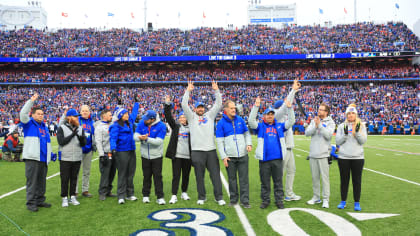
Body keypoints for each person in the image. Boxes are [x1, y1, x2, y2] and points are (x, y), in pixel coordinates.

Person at [181, 80, 225, 206]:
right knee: (199, 176)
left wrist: (216, 90)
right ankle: (202, 197)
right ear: (195, 109)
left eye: (202, 107)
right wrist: (188, 91)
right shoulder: (191, 117)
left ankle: (219, 197)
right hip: (197, 151)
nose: (200, 109)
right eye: (198, 107)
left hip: (210, 151)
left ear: (204, 108)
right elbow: (184, 105)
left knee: (215, 175)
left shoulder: (209, 116)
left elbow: (218, 104)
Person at [248, 97, 295, 209]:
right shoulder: (260, 126)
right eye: (267, 114)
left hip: (277, 159)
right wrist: (256, 107)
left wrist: (289, 108)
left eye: (272, 114)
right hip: (264, 159)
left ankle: (279, 200)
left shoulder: (279, 126)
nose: (270, 116)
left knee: (278, 182)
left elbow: (291, 121)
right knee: (265, 182)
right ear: (263, 116)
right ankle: (265, 200)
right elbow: (250, 121)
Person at [20, 93, 53, 212]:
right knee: (32, 182)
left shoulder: (44, 127)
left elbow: (47, 143)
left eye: (42, 114)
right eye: (38, 114)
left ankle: (40, 200)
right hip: (33, 158)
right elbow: (22, 114)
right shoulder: (28, 124)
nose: (40, 115)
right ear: (32, 115)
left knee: (41, 182)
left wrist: (51, 154)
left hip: (43, 159)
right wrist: (31, 101)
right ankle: (31, 203)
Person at [216, 100, 252, 208]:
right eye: (231, 108)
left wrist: (249, 144)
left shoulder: (240, 120)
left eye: (234, 108)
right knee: (232, 180)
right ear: (226, 110)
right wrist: (223, 156)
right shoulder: (221, 123)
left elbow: (246, 133)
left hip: (243, 155)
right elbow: (219, 141)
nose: (234, 110)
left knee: (244, 179)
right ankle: (233, 199)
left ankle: (245, 201)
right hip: (230, 157)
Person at [273, 79, 302, 201]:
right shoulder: (277, 116)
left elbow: (291, 118)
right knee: (281, 173)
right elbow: (285, 106)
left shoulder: (284, 116)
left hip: (289, 148)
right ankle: (278, 195)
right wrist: (293, 91)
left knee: (291, 171)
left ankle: (289, 194)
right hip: (282, 148)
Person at [335, 105, 367, 211]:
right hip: (344, 157)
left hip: (358, 158)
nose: (351, 115)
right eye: (349, 113)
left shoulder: (361, 126)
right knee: (344, 181)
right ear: (346, 115)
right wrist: (344, 135)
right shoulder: (341, 126)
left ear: (356, 115)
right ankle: (343, 201)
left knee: (357, 181)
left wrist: (357, 132)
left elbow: (363, 141)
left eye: (353, 113)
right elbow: (338, 142)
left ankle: (356, 202)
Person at [59, 105, 96, 197]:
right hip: (77, 149)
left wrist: (94, 145)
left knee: (86, 171)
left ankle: (85, 190)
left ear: (89, 112)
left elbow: (94, 134)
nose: (85, 112)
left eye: (86, 111)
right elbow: (61, 124)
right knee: (75, 172)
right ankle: (74, 191)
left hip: (88, 149)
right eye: (83, 111)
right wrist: (64, 115)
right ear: (80, 112)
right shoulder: (76, 120)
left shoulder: (92, 122)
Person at [305, 103, 335, 208]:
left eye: (322, 110)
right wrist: (315, 125)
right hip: (313, 153)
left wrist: (320, 126)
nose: (319, 111)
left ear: (326, 112)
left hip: (324, 154)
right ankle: (316, 197)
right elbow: (307, 133)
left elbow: (328, 135)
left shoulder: (331, 122)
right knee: (315, 178)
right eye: (319, 109)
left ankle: (326, 199)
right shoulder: (314, 121)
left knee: (325, 179)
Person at [134, 110, 167, 205]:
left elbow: (159, 142)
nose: (144, 121)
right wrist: (140, 137)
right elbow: (135, 136)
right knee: (146, 176)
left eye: (147, 119)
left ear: (152, 119)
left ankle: (160, 197)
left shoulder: (161, 126)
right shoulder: (141, 123)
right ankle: (145, 195)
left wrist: (146, 139)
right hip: (145, 156)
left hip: (157, 156)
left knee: (158, 177)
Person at [164, 95, 192, 204]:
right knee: (176, 176)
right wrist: (167, 104)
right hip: (177, 156)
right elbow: (168, 116)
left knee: (186, 175)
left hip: (188, 156)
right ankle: (174, 195)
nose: (182, 119)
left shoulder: (191, 128)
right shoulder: (176, 127)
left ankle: (184, 192)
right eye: (180, 117)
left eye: (184, 117)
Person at [57, 109, 87, 207]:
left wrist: (82, 138)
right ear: (69, 117)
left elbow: (83, 143)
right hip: (66, 157)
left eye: (77, 116)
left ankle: (73, 196)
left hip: (77, 157)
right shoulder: (61, 127)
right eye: (75, 116)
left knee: (74, 178)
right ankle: (64, 197)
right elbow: (61, 141)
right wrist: (72, 134)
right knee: (65, 179)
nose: (77, 118)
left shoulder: (80, 128)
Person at [110, 108, 138, 204]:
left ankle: (130, 194)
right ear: (120, 115)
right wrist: (113, 148)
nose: (127, 115)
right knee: (122, 174)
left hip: (131, 150)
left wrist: (136, 103)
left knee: (130, 174)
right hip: (122, 151)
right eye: (125, 114)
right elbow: (113, 138)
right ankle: (121, 195)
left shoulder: (129, 122)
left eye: (127, 113)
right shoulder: (116, 126)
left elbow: (134, 113)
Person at [95, 109, 117, 201]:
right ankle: (102, 192)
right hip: (105, 153)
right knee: (105, 174)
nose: (111, 116)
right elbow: (98, 141)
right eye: (109, 115)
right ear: (104, 116)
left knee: (112, 173)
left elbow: (116, 115)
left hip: (114, 153)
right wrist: (101, 155)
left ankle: (108, 191)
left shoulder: (111, 124)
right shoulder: (99, 127)